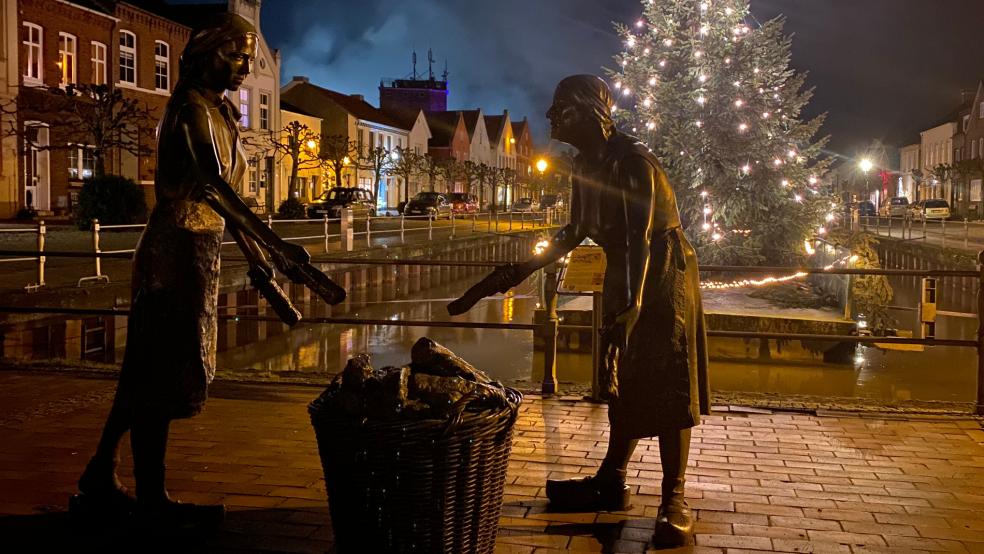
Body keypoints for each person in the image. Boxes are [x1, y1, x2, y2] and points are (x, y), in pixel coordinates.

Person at [72, 13, 321, 529]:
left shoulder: (220, 112)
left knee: (146, 370)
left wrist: (259, 262)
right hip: (174, 250)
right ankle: (151, 497)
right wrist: (276, 246)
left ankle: (102, 471)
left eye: (250, 59)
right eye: (235, 55)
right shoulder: (188, 110)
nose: (243, 67)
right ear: (206, 51)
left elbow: (228, 204)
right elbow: (211, 187)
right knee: (157, 370)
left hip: (198, 249)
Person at [448, 74, 710, 548]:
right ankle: (612, 479)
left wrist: (631, 304)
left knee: (667, 378)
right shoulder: (585, 166)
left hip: (662, 271)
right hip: (625, 270)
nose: (551, 117)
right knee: (622, 377)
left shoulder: (632, 162)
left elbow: (639, 237)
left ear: (590, 111)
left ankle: (674, 496)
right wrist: (507, 275)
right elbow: (573, 233)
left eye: (561, 108)